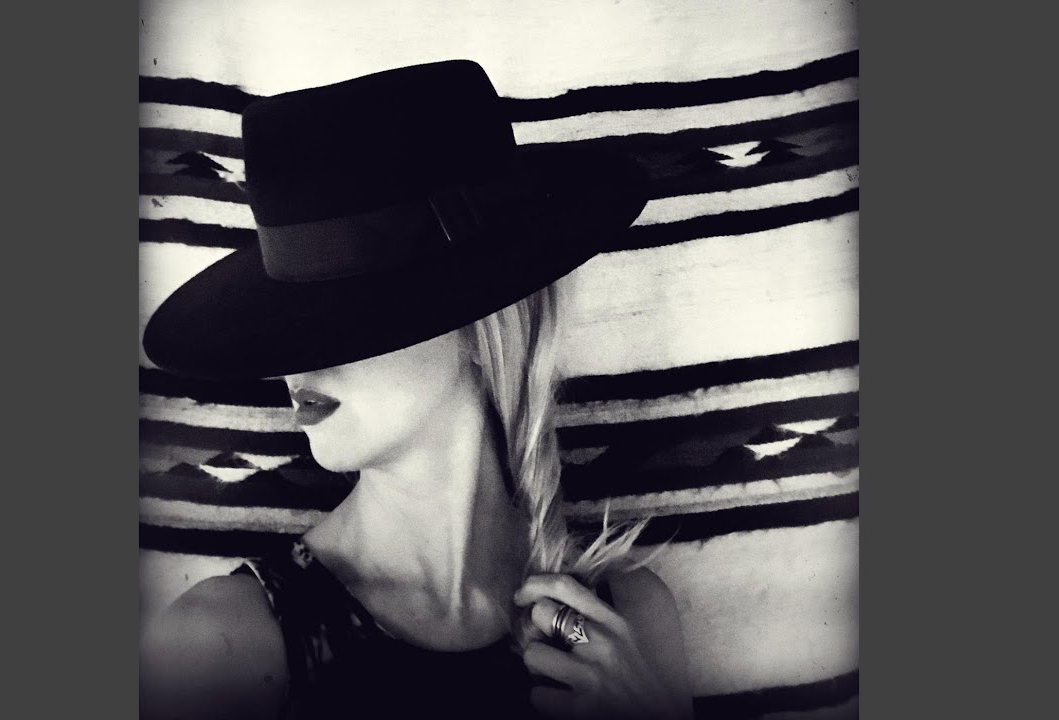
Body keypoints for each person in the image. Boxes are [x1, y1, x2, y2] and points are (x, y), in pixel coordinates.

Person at [139, 60, 693, 720]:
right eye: (289, 328)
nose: (297, 367)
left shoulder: (625, 620)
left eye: (341, 318)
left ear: (479, 325)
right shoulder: (221, 644)